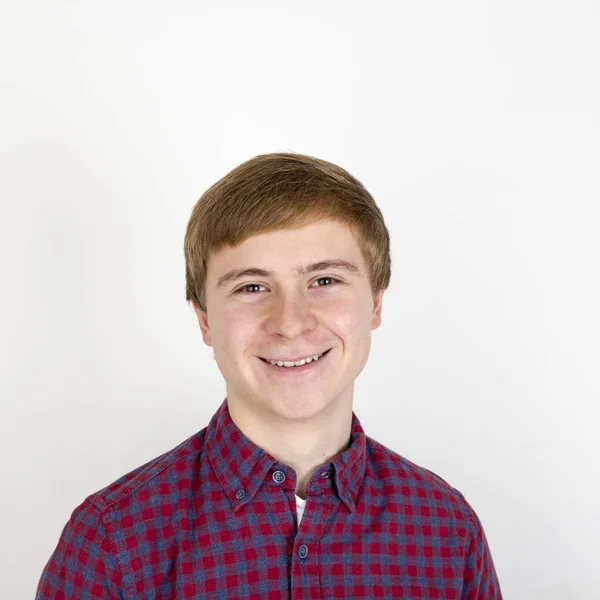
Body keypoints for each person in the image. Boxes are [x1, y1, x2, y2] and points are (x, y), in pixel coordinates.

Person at [36, 152, 503, 599]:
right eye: (252, 287)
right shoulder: (111, 541)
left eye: (324, 281)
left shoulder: (448, 529)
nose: (290, 321)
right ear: (204, 320)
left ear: (375, 304)